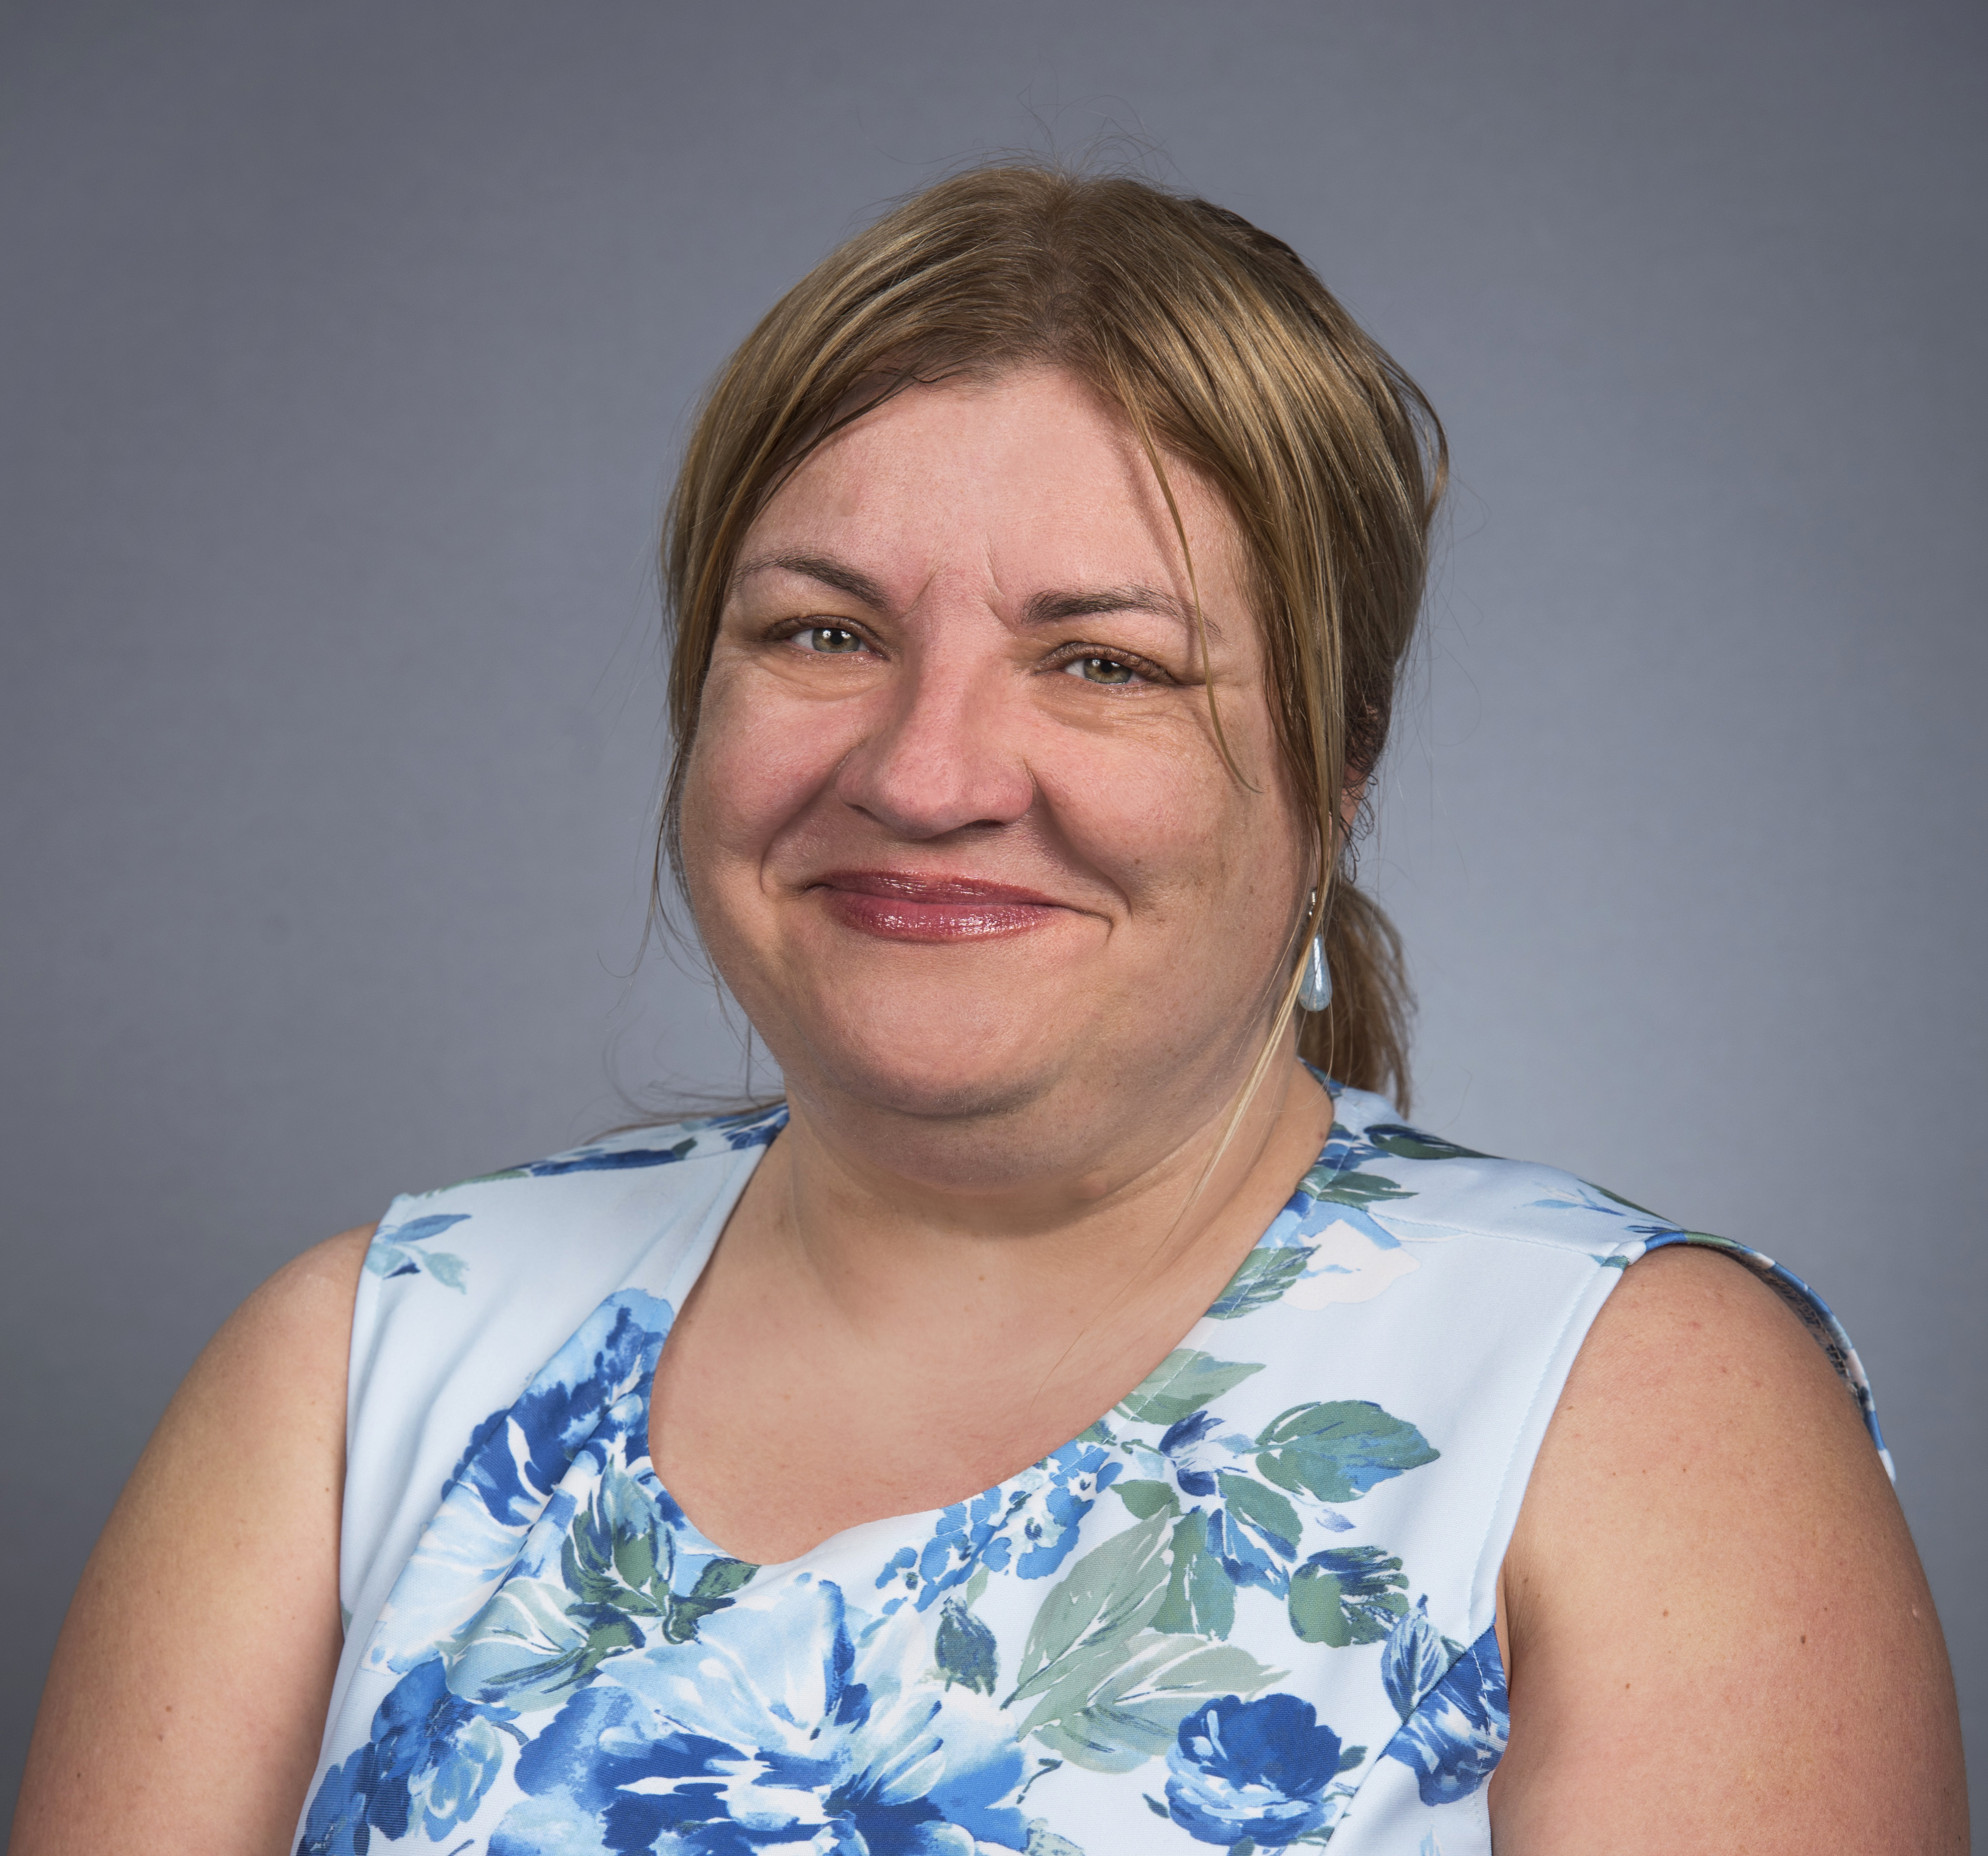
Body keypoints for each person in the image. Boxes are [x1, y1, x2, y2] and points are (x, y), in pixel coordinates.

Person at [12, 165, 1965, 1856]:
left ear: (1338, 757)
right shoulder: (364, 1363)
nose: (928, 769)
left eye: (1104, 663)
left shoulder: (1625, 1406)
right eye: (822, 631)